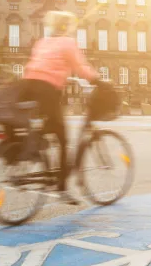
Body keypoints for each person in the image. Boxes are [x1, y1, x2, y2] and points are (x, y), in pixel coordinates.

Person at [18, 11, 99, 202]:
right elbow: (81, 68)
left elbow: (35, 66)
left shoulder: (42, 42)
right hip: (47, 90)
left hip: (28, 86)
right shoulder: (67, 43)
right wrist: (99, 80)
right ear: (66, 27)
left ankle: (31, 150)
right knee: (62, 138)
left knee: (44, 128)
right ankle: (62, 188)